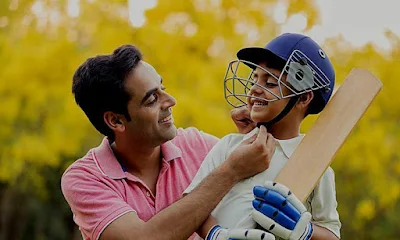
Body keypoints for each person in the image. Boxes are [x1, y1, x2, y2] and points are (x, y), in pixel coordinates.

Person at [60, 44, 276, 240]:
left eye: (163, 88)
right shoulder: (84, 179)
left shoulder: (196, 144)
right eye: (152, 99)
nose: (171, 101)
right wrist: (230, 171)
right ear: (116, 120)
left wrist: (247, 138)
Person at [184, 33, 341, 240]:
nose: (255, 90)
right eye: (254, 80)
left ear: (303, 97)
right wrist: (216, 234)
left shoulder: (316, 164)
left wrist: (306, 232)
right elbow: (193, 202)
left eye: (269, 83)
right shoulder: (230, 145)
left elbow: (331, 233)